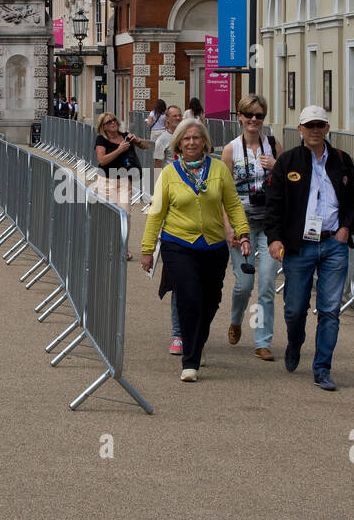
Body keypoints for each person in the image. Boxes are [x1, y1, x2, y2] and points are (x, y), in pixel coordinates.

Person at [141, 119, 251, 381]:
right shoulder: (169, 173)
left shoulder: (218, 170)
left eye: (196, 138)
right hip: (178, 245)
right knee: (189, 298)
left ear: (205, 142)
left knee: (211, 301)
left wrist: (243, 233)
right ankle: (190, 362)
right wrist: (147, 249)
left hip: (213, 246)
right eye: (186, 138)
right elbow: (156, 213)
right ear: (179, 143)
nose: (191, 142)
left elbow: (233, 204)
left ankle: (196, 343)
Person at [265, 106, 354, 391]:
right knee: (295, 308)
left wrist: (345, 229)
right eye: (310, 125)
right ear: (301, 130)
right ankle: (295, 342)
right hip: (299, 245)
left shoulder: (343, 161)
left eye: (320, 125)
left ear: (327, 128)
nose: (316, 130)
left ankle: (322, 368)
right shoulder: (288, 161)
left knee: (330, 309)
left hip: (334, 243)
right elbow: (274, 203)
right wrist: (274, 238)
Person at [222, 94, 279, 362]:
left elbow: (290, 182)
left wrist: (276, 167)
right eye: (249, 115)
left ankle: (262, 341)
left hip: (269, 225)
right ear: (240, 117)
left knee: (267, 283)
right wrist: (228, 227)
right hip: (242, 225)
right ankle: (235, 320)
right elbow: (222, 192)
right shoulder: (231, 149)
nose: (254, 120)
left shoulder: (274, 146)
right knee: (244, 284)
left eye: (259, 115)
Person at [150, 105, 184, 353]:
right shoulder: (163, 139)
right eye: (174, 116)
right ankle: (178, 333)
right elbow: (158, 165)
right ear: (167, 120)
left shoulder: (187, 135)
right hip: (172, 198)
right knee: (178, 281)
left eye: (180, 115)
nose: (178, 119)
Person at [94, 112, 149, 261]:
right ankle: (108, 248)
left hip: (124, 180)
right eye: (108, 122)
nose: (112, 123)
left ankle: (123, 249)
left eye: (113, 120)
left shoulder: (126, 136)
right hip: (107, 180)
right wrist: (119, 149)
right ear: (103, 127)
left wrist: (136, 139)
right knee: (109, 215)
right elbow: (102, 160)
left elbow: (145, 146)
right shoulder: (101, 140)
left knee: (125, 215)